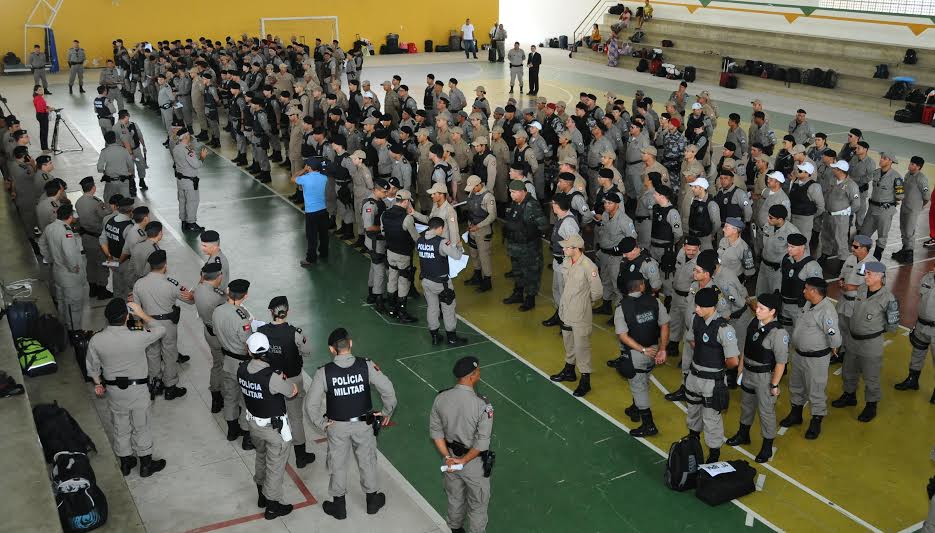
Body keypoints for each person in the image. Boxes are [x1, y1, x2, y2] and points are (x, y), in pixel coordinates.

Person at [305, 328, 396, 520]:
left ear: (332, 349)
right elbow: (387, 389)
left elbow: (310, 404)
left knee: (337, 464)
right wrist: (386, 411)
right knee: (367, 460)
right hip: (363, 424)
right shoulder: (366, 365)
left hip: (337, 426)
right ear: (350, 343)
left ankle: (339, 506)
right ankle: (372, 501)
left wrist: (322, 424)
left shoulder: (324, 372)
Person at [87, 298, 167, 477]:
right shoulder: (137, 334)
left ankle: (125, 462)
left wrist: (98, 383)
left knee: (120, 425)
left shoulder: (97, 339)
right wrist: (141, 314)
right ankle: (145, 464)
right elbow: (161, 329)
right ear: (126, 316)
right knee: (141, 425)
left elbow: (92, 366)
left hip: (115, 392)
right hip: (137, 390)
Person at [430, 356, 494, 533]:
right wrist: (464, 461)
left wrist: (448, 457)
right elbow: (482, 442)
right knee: (478, 506)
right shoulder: (482, 405)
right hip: (473, 463)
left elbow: (436, 432)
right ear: (472, 376)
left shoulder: (441, 398)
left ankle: (455, 529)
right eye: (478, 370)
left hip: (450, 460)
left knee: (455, 498)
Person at [239, 332, 299, 520]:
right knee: (275, 466)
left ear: (249, 351)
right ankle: (272, 506)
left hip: (254, 425)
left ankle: (261, 496)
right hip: (273, 430)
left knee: (261, 456)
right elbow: (292, 391)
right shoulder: (272, 376)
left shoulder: (241, 369)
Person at [832, 262, 899, 422]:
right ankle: (849, 395)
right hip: (853, 340)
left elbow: (893, 326)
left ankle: (871, 405)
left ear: (880, 276)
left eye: (869, 274)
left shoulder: (888, 299)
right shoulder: (862, 289)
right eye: (866, 273)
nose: (865, 276)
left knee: (871, 376)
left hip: (871, 344)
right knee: (848, 370)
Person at [727, 293, 787, 463]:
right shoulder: (754, 322)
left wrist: (774, 384)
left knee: (766, 411)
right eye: (757, 307)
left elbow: (781, 363)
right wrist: (740, 368)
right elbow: (747, 346)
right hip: (748, 371)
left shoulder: (778, 333)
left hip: (764, 377)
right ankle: (743, 433)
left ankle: (767, 446)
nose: (757, 310)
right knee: (746, 404)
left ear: (772, 311)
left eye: (762, 308)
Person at [684, 286, 740, 463]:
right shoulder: (696, 319)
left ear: (711, 307)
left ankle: (714, 454)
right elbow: (693, 340)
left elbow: (733, 361)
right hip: (694, 376)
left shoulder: (724, 329)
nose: (696, 309)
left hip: (712, 382)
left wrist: (714, 363)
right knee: (692, 410)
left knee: (711, 419)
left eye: (700, 306)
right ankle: (693, 443)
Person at [780, 277, 840, 439]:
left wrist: (834, 347)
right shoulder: (809, 304)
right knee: (796, 386)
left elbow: (834, 334)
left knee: (816, 390)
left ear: (814, 291)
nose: (803, 291)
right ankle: (796, 414)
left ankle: (816, 421)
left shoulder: (826, 311)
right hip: (799, 355)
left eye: (806, 288)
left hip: (816, 359)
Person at [612, 270, 669, 436]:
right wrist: (663, 349)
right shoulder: (655, 302)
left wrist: (642, 350)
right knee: (644, 378)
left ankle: (648, 424)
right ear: (642, 286)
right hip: (654, 350)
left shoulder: (622, 308)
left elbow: (622, 335)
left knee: (638, 386)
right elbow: (664, 325)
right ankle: (635, 408)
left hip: (637, 353)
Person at [132, 249, 193, 400]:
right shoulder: (172, 283)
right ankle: (170, 387)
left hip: (148, 323)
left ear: (150, 266)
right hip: (167, 325)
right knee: (170, 353)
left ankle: (155, 383)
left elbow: (135, 309)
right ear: (165, 265)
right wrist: (192, 295)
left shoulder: (139, 284)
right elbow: (190, 300)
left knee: (152, 353)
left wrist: (138, 328)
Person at [548, 234, 602, 396]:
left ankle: (585, 380)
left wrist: (585, 304)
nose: (563, 249)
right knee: (568, 341)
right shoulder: (566, 261)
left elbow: (597, 292)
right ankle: (569, 370)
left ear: (576, 248)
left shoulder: (588, 266)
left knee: (582, 347)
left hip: (580, 315)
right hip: (565, 311)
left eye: (566, 247)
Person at [213, 278, 255, 450]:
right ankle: (247, 437)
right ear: (245, 296)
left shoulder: (217, 311)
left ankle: (232, 431)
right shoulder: (242, 317)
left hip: (227, 362)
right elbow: (248, 344)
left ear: (229, 292)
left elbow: (215, 332)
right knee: (246, 401)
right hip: (243, 364)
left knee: (230, 396)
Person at [37, 205, 91, 335]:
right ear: (70, 217)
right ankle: (76, 333)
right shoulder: (66, 231)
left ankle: (64, 327)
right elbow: (69, 252)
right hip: (70, 277)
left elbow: (41, 243)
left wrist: (49, 258)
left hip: (57, 272)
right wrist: (74, 267)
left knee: (62, 302)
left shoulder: (50, 227)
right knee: (74, 306)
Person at [418, 216, 469, 345]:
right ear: (440, 228)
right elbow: (457, 256)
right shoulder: (441, 242)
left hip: (426, 280)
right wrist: (458, 247)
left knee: (432, 307)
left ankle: (434, 336)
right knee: (448, 308)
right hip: (441, 283)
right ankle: (451, 337)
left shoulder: (420, 240)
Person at [502, 181, 548, 311]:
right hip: (515, 246)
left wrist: (530, 231)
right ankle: (518, 293)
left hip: (529, 248)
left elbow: (543, 225)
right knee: (517, 271)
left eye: (514, 192)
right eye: (510, 192)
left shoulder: (532, 205)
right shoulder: (516, 203)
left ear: (523, 191)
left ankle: (530, 299)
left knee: (531, 273)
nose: (512, 195)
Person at [896, 260, 935, 402]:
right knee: (917, 354)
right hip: (921, 325)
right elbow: (922, 299)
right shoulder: (927, 278)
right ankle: (912, 380)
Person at [192, 262, 227, 414]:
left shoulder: (198, 289)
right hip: (220, 336)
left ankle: (215, 398)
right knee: (227, 366)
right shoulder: (217, 296)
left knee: (217, 365)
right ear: (218, 277)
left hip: (208, 332)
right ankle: (227, 397)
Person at [543, 194, 581, 327]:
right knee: (557, 289)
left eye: (553, 203)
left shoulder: (568, 223)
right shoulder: (561, 218)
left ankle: (567, 322)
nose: (551, 206)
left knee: (566, 292)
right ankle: (560, 315)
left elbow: (575, 246)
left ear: (557, 205)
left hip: (565, 263)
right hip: (558, 261)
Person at [859, 152, 903, 261]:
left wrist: (890, 201)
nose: (881, 160)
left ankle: (875, 261)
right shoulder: (876, 172)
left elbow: (900, 195)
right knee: (864, 234)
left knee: (882, 236)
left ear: (890, 161)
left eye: (884, 158)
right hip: (872, 209)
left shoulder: (896, 177)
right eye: (881, 157)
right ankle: (860, 259)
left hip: (885, 211)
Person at [75, 176, 113, 299]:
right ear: (93, 188)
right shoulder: (96, 203)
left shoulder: (78, 202)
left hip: (85, 237)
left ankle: (92, 289)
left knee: (90, 263)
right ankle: (102, 291)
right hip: (97, 238)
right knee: (102, 263)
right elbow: (106, 213)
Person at [778, 233, 823, 328]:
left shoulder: (811, 266)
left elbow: (817, 291)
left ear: (802, 247)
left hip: (800, 308)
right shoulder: (786, 259)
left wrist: (809, 309)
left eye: (792, 247)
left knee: (800, 335)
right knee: (785, 332)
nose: (789, 249)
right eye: (788, 246)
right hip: (784, 306)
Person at [292, 158, 330, 267]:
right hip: (323, 210)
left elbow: (293, 178)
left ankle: (311, 258)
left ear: (309, 167)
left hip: (311, 212)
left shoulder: (304, 178)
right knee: (323, 234)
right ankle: (324, 253)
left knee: (311, 236)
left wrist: (303, 170)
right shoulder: (324, 178)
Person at [463, 175, 497, 292]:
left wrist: (478, 226)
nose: (471, 190)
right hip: (472, 228)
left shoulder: (488, 197)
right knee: (474, 254)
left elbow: (492, 216)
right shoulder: (472, 193)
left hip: (482, 230)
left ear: (479, 185)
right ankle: (477, 276)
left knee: (484, 256)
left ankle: (487, 281)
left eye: (473, 187)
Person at [893, 156, 928, 264]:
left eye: (912, 164)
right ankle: (904, 250)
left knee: (909, 231)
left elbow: (926, 196)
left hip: (913, 209)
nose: (910, 165)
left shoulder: (921, 178)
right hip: (904, 207)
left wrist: (918, 206)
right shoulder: (908, 175)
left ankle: (909, 255)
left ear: (918, 167)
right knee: (903, 229)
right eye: (910, 163)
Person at [172, 129, 207, 232]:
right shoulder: (187, 150)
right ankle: (191, 223)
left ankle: (184, 221)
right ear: (186, 137)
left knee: (182, 201)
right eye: (188, 135)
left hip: (180, 180)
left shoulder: (176, 148)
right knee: (192, 201)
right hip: (189, 181)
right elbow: (196, 165)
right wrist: (202, 158)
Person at [363, 179, 391, 311]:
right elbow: (368, 227)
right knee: (379, 270)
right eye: (384, 191)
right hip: (375, 242)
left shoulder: (379, 202)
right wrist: (384, 228)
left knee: (373, 268)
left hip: (378, 241)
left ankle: (372, 294)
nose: (386, 193)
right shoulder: (370, 205)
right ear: (376, 190)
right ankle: (378, 298)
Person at [33, 86, 50, 153]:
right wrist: (48, 109)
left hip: (41, 115)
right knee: (44, 132)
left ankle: (44, 147)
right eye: (39, 90)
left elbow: (42, 106)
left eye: (42, 89)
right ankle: (45, 148)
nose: (41, 91)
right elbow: (41, 110)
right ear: (36, 91)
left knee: (43, 131)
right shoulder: (38, 98)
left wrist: (47, 107)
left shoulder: (39, 97)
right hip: (42, 116)